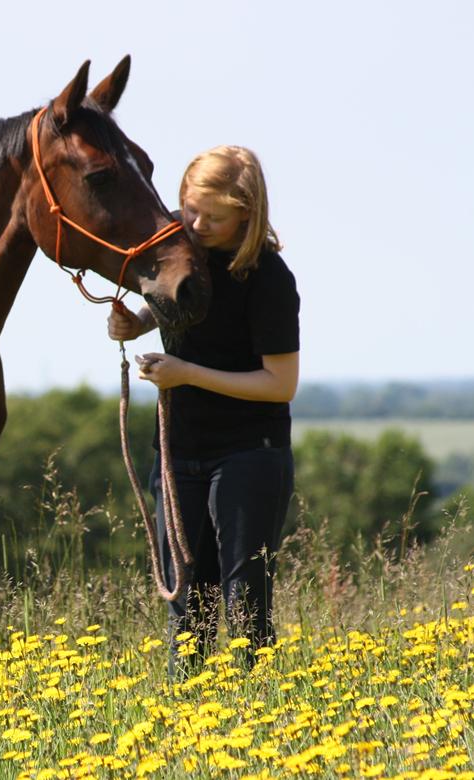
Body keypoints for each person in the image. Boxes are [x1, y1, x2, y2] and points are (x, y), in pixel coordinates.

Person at [107, 145, 300, 674]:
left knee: (244, 607)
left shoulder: (268, 278)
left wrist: (186, 373)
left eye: (212, 216)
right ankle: (187, 722)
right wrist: (139, 322)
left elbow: (280, 384)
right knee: (186, 611)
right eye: (189, 209)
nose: (195, 223)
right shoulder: (181, 242)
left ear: (247, 212)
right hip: (176, 454)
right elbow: (181, 298)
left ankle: (258, 715)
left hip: (249, 453)